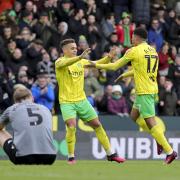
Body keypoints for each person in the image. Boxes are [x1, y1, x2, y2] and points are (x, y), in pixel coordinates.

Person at [87, 28, 177, 164]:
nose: (131, 40)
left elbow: (114, 66)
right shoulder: (153, 51)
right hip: (150, 88)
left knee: (151, 122)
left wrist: (95, 64)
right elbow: (143, 69)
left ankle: (170, 151)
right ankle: (159, 140)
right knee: (134, 116)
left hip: (145, 91)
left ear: (138, 38)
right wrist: (125, 74)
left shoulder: (134, 51)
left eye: (133, 37)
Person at [55, 38, 125, 164]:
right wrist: (80, 57)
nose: (75, 50)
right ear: (64, 50)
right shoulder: (59, 62)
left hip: (82, 100)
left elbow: (97, 63)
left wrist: (109, 56)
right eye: (72, 48)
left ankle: (111, 154)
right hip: (67, 102)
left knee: (97, 125)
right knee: (71, 126)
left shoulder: (81, 62)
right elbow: (64, 64)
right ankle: (71, 157)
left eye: (76, 48)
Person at [0, 87, 56, 165]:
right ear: (32, 98)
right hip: (50, 157)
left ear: (15, 101)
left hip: (23, 157)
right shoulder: (45, 108)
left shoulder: (12, 108)